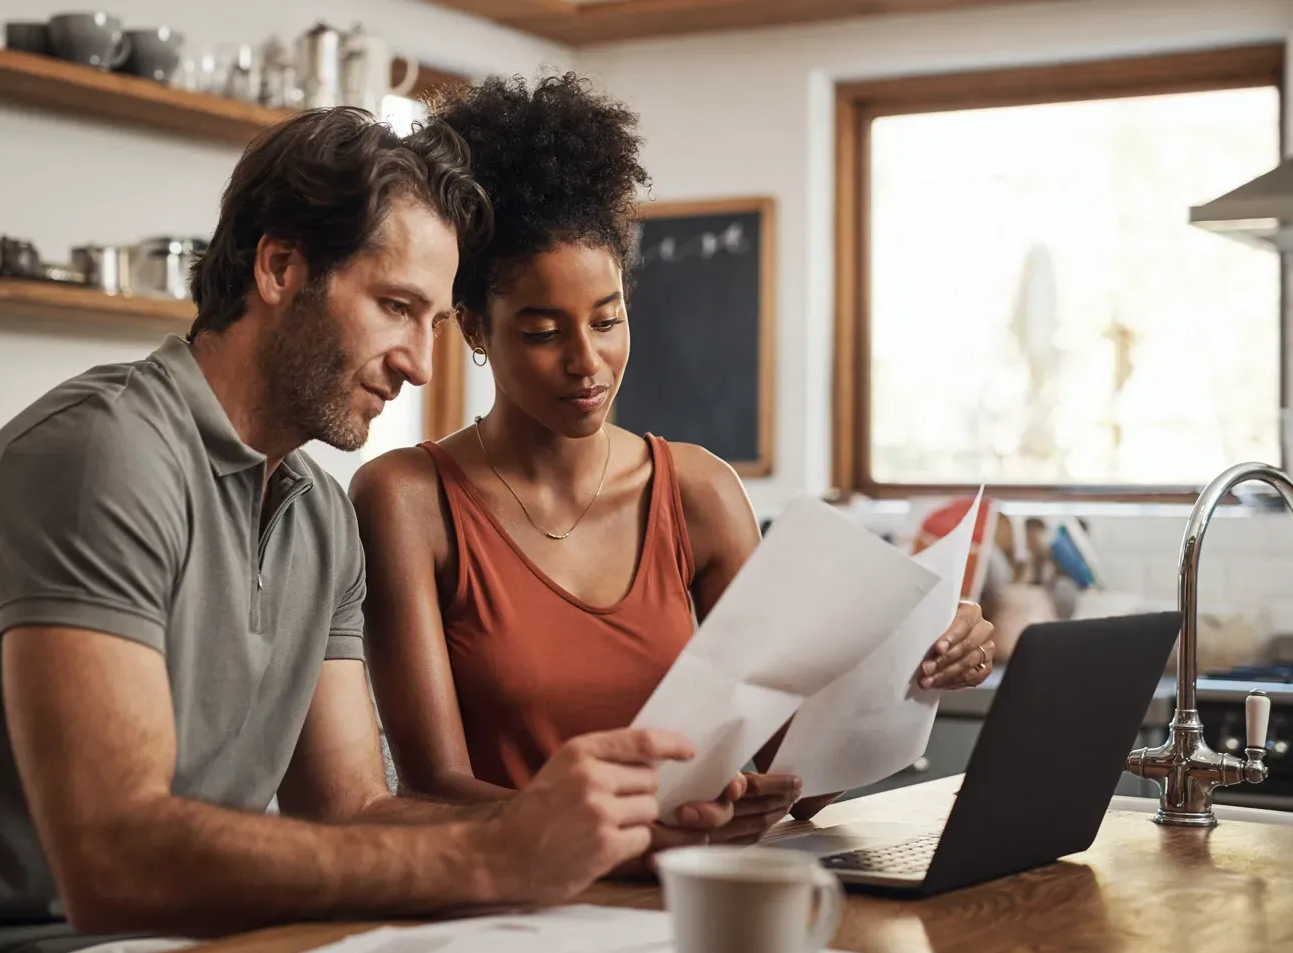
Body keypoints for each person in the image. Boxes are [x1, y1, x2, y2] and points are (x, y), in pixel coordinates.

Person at [0, 108, 742, 953]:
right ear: (281, 268)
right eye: (396, 308)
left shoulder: (319, 514)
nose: (420, 366)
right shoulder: (103, 457)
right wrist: (494, 853)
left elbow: (351, 810)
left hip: (209, 949)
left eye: (433, 320)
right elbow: (112, 859)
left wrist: (599, 827)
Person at [351, 76, 997, 849]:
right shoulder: (406, 498)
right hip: (511, 908)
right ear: (474, 328)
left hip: (689, 894)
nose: (587, 361)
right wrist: (636, 831)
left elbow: (795, 777)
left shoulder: (698, 491)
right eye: (542, 331)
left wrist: (912, 667)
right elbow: (433, 790)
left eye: (608, 319)